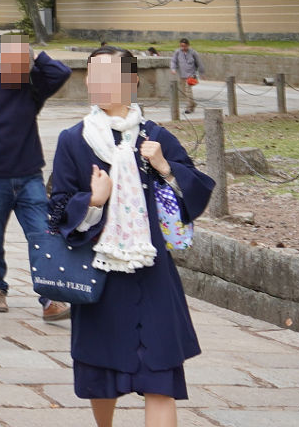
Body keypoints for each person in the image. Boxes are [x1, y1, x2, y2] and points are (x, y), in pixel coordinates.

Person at [50, 47, 215, 425]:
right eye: (94, 75)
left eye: (111, 75)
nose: (100, 83)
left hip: (152, 273)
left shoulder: (156, 136)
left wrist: (164, 167)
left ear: (132, 81)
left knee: (161, 375)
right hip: (100, 275)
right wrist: (92, 200)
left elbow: (197, 194)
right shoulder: (73, 140)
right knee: (100, 375)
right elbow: (57, 208)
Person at [0, 35, 73, 320]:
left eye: (23, 65)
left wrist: (36, 58)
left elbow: (63, 72)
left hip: (30, 175)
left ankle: (49, 297)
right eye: (11, 64)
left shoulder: (33, 84)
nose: (16, 72)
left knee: (42, 235)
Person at [170, 38, 201, 112]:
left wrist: (199, 73)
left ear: (188, 45)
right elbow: (173, 61)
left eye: (184, 46)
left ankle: (189, 107)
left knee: (188, 91)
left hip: (191, 75)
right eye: (181, 46)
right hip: (182, 75)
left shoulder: (193, 53)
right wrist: (173, 69)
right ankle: (193, 103)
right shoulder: (177, 52)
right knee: (185, 92)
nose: (183, 48)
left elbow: (198, 63)